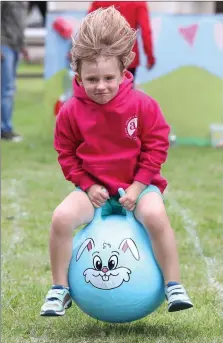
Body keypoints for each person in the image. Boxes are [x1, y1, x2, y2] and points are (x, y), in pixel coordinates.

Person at [40, 7, 193, 317]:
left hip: (138, 189)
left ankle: (173, 284)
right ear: (78, 74)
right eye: (91, 78)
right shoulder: (70, 112)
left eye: (109, 78)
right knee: (60, 217)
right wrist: (86, 184)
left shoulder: (142, 105)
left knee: (155, 215)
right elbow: (66, 153)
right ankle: (59, 289)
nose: (100, 86)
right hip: (93, 193)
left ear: (124, 72)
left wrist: (138, 187)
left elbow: (157, 145)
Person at [88, 1, 155, 80]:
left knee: (103, 89)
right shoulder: (139, 2)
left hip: (103, 55)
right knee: (127, 90)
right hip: (128, 57)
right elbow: (146, 31)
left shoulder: (99, 2)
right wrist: (150, 57)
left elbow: (88, 27)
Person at [1, 1, 28, 142]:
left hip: (15, 46)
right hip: (4, 44)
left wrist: (23, 45)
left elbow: (20, 23)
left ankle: (5, 128)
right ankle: (5, 130)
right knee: (7, 89)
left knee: (9, 89)